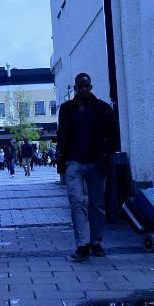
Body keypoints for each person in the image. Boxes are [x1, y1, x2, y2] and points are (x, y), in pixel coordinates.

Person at [57, 72, 118, 261]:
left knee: (97, 204)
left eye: (86, 86)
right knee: (77, 202)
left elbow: (115, 136)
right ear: (75, 88)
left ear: (90, 87)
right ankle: (82, 244)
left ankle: (95, 242)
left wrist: (106, 152)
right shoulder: (67, 109)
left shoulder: (102, 109)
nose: (83, 89)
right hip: (73, 162)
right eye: (80, 86)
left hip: (96, 162)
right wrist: (61, 158)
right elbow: (62, 134)